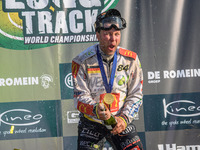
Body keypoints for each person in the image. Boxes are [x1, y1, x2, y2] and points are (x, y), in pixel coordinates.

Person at [72, 8, 143, 150]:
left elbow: (136, 94)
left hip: (119, 120)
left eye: (117, 34)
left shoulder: (131, 59)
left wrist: (123, 119)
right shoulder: (81, 61)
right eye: (108, 34)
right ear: (97, 34)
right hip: (92, 122)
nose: (113, 39)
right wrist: (95, 109)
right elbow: (79, 97)